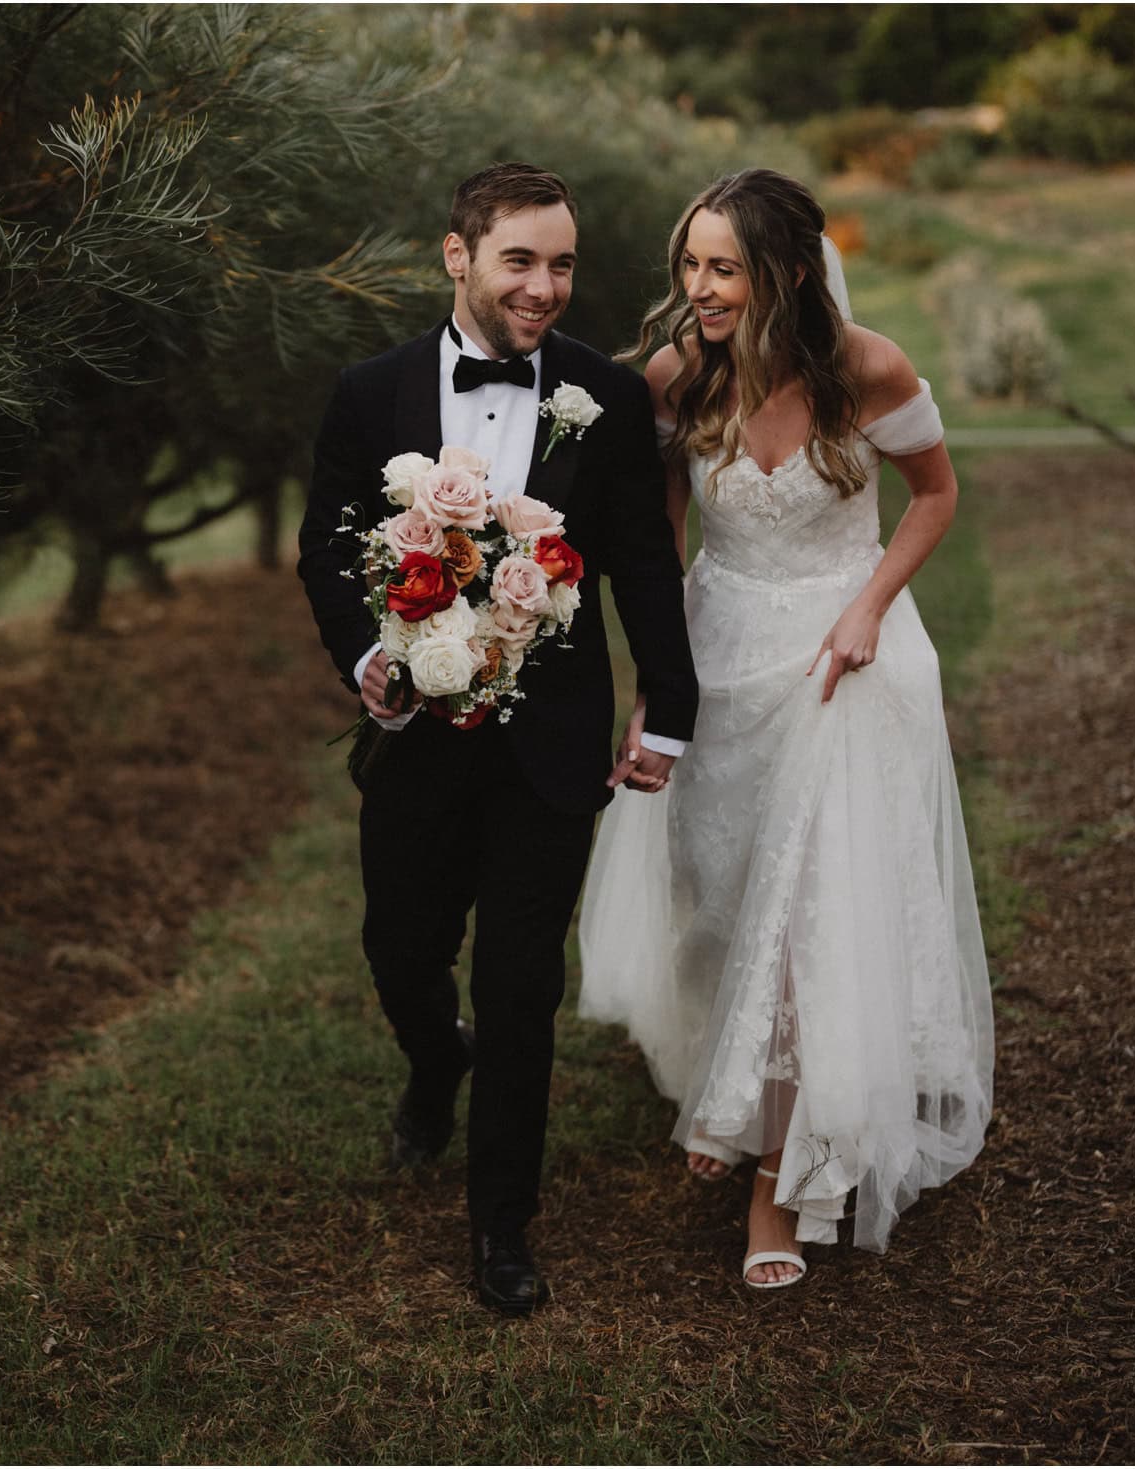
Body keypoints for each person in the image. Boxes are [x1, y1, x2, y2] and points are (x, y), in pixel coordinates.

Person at [577, 168, 994, 1289]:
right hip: (719, 653)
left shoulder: (868, 366)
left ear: (789, 272)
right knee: (720, 893)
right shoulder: (678, 374)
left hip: (837, 660)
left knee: (816, 912)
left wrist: (868, 607)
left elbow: (937, 494)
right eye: (690, 265)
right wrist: (657, 677)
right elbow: (664, 523)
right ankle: (733, 1075)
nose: (699, 288)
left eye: (724, 268)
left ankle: (778, 1178)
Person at [296, 163, 698, 1315]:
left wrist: (667, 707)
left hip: (549, 747)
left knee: (521, 985)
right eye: (520, 259)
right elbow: (329, 549)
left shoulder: (605, 402)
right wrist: (373, 662)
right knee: (399, 947)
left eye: (563, 263)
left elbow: (641, 566)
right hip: (417, 732)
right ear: (456, 255)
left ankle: (501, 1228)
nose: (544, 286)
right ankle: (434, 1060)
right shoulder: (368, 393)